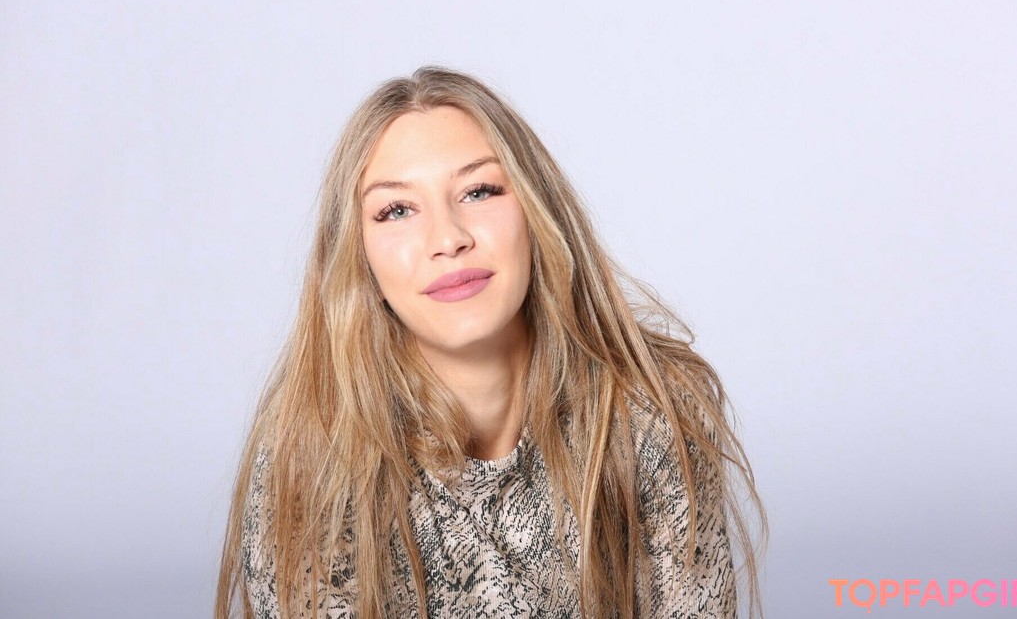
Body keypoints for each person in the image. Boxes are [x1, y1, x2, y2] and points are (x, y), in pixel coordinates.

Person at [215, 66, 766, 618]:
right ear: (360, 259)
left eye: (478, 191)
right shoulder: (309, 452)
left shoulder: (652, 409)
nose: (448, 239)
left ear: (536, 212)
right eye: (396, 210)